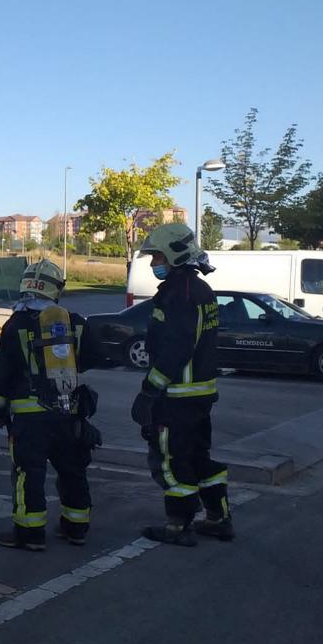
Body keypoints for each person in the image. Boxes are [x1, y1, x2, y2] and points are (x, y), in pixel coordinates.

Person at [0, 259, 101, 551]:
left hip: (29, 419)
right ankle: (76, 528)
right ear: (56, 288)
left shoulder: (15, 325)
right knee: (73, 470)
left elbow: (3, 376)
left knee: (29, 474)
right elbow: (92, 357)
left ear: (26, 285)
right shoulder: (75, 322)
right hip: (69, 413)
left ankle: (30, 533)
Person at [129, 224, 232, 547]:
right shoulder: (198, 289)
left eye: (157, 256)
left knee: (171, 460)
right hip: (200, 395)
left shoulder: (180, 294)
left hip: (176, 397)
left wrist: (149, 391)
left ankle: (179, 526)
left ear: (175, 254)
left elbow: (177, 348)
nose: (153, 263)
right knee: (198, 458)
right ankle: (218, 518)